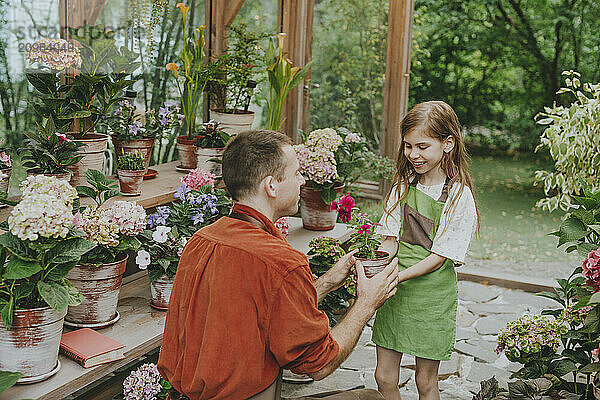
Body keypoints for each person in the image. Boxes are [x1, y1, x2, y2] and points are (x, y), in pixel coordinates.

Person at [158, 130, 400, 400]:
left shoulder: (200, 241)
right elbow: (319, 363)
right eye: (296, 173)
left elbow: (264, 313)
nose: (303, 180)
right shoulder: (280, 261)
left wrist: (327, 282)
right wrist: (367, 303)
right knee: (371, 398)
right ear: (271, 186)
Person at [372, 101, 478, 400]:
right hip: (396, 291)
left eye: (422, 146)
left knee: (425, 382)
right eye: (407, 146)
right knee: (383, 376)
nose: (413, 155)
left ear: (448, 144)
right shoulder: (403, 186)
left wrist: (395, 277)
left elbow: (438, 257)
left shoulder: (458, 196)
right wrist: (376, 265)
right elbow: (390, 239)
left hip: (431, 296)